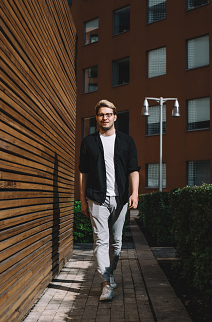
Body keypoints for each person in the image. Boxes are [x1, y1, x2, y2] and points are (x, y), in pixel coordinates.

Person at [78, 100, 140, 301]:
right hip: (96, 198)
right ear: (97, 118)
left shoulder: (127, 141)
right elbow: (83, 172)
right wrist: (82, 198)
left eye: (108, 114)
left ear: (114, 117)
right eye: (100, 114)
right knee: (101, 242)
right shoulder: (88, 142)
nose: (104, 117)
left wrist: (134, 193)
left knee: (117, 244)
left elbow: (133, 169)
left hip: (120, 198)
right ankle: (105, 284)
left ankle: (110, 272)